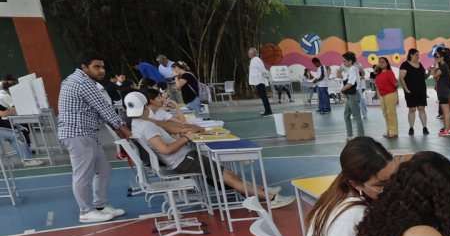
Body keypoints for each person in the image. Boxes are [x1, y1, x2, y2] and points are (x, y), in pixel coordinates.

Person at [126, 90, 292, 208]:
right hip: (182, 160)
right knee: (228, 177)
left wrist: (182, 134)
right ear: (146, 106)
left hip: (183, 158)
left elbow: (163, 142)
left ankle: (258, 191)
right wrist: (186, 138)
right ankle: (270, 199)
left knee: (227, 173)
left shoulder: (137, 125)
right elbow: (165, 150)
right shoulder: (147, 126)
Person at [58, 51, 131, 223]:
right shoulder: (82, 82)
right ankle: (85, 211)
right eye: (96, 67)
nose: (102, 71)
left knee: (104, 170)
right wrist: (126, 131)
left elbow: (98, 111)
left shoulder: (80, 80)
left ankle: (100, 206)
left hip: (86, 133)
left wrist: (120, 128)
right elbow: (103, 108)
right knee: (82, 175)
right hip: (77, 133)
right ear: (84, 67)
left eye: (103, 67)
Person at [0, 77, 44, 167]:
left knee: (19, 129)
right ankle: (27, 160)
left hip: (2, 124)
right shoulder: (3, 95)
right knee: (16, 134)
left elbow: (5, 110)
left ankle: (27, 156)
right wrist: (17, 109)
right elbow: (3, 113)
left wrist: (13, 110)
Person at [399, 49, 429, 136]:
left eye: (418, 55)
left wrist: (429, 72)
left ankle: (425, 127)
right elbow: (401, 78)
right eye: (416, 55)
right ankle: (411, 128)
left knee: (421, 108)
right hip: (410, 91)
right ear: (411, 55)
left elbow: (424, 77)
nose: (418, 56)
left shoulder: (420, 64)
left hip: (421, 90)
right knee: (412, 109)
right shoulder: (405, 65)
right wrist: (406, 89)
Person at [432, 49, 450, 136]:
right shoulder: (446, 66)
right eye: (436, 57)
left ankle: (447, 130)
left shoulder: (442, 67)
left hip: (443, 91)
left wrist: (433, 68)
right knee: (446, 111)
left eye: (437, 57)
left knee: (445, 111)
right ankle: (449, 129)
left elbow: (434, 76)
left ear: (442, 58)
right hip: (445, 90)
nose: (436, 58)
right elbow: (437, 78)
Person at [372, 57, 400, 138]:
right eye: (379, 62)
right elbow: (377, 85)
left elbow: (396, 85)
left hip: (390, 94)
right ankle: (388, 131)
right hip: (382, 95)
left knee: (391, 113)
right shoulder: (378, 74)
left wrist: (397, 97)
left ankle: (394, 132)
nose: (381, 63)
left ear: (387, 64)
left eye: (383, 62)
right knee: (385, 113)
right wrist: (377, 94)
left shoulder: (389, 73)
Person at [340, 52, 364, 139]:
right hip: (349, 95)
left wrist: (342, 90)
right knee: (346, 115)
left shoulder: (353, 69)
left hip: (354, 95)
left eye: (344, 61)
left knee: (357, 116)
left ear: (350, 61)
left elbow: (350, 83)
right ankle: (349, 135)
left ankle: (361, 137)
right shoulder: (349, 69)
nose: (343, 63)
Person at [248, 47, 272, 117]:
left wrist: (266, 77)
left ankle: (268, 111)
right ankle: (267, 110)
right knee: (262, 95)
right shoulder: (252, 60)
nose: (248, 54)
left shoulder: (257, 60)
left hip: (260, 80)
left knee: (263, 96)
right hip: (257, 81)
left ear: (253, 54)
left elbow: (262, 70)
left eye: (249, 53)